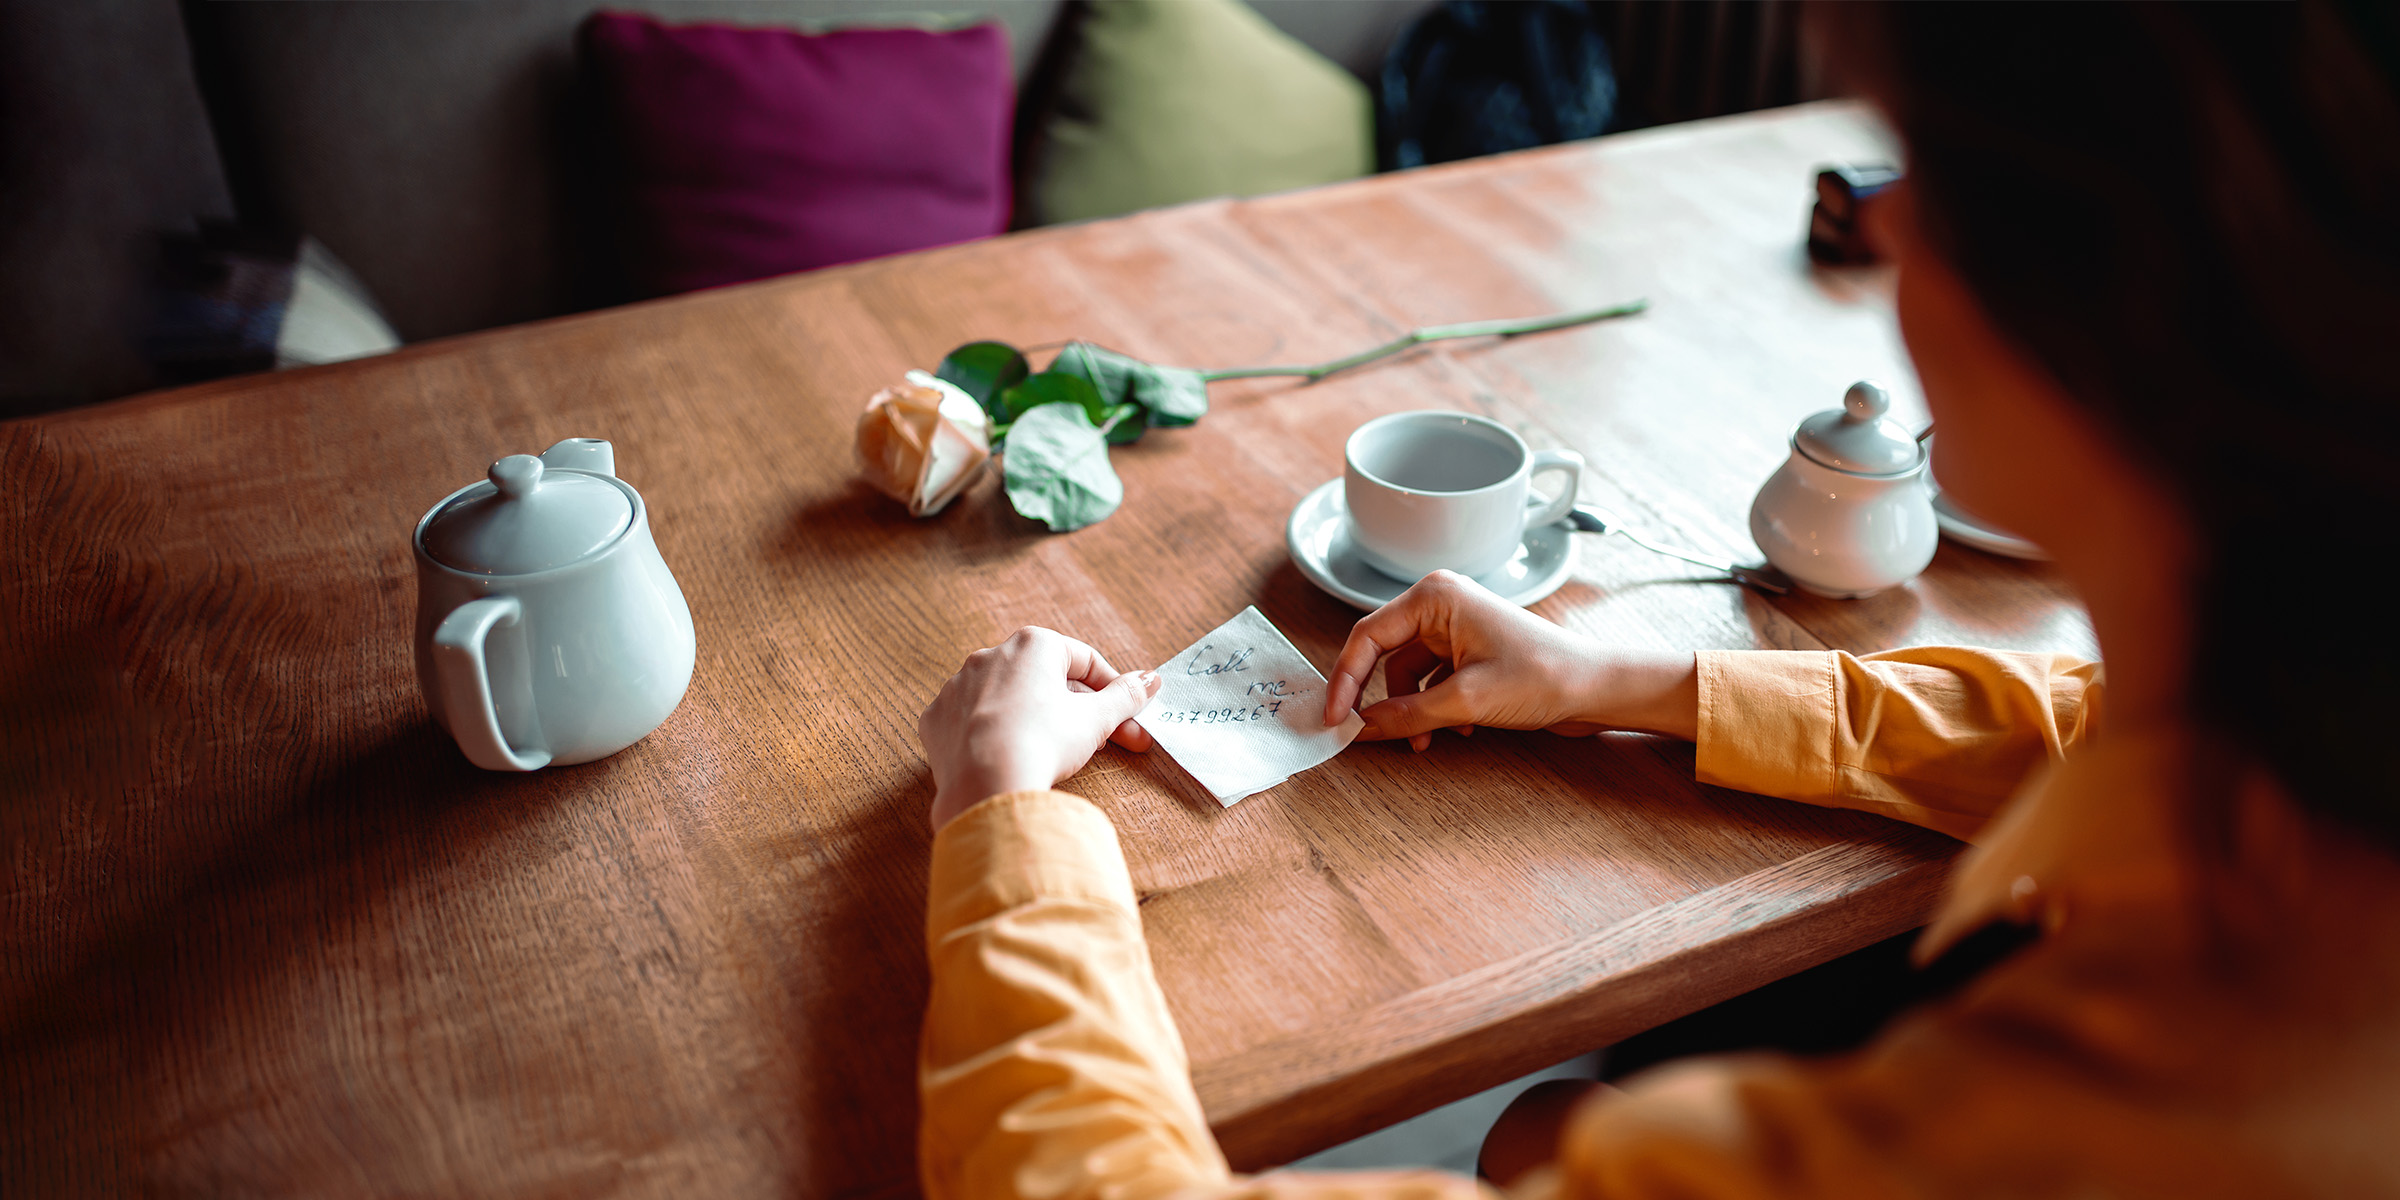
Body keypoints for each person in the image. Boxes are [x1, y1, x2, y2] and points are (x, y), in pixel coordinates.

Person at [912, 4, 2400, 1196]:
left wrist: (999, 816)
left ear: (2108, 290)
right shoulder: (2294, 732)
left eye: (1914, 170)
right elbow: (2071, 728)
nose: (1878, 232)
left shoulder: (2071, 1126)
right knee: (1541, 1126)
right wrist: (1618, 680)